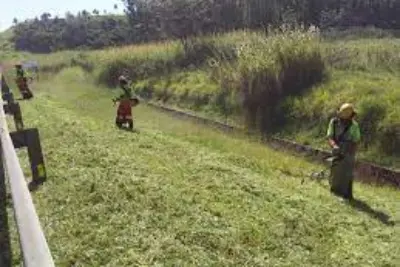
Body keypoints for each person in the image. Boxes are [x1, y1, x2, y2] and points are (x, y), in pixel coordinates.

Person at [326, 103, 361, 200]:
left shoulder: (354, 126)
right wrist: (334, 145)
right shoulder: (333, 122)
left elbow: (356, 141)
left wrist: (348, 151)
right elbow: (329, 136)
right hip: (336, 149)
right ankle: (334, 190)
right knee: (335, 171)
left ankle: (347, 194)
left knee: (347, 173)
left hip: (349, 151)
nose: (343, 119)